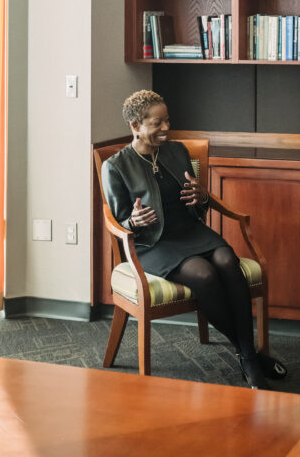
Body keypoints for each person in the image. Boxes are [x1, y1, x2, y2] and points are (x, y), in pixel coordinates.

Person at [102, 89, 284, 389]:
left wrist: (202, 197)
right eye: (157, 123)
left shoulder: (177, 152)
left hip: (190, 232)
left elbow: (198, 207)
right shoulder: (116, 166)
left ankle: (246, 352)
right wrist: (133, 221)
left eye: (167, 120)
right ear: (136, 126)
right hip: (153, 244)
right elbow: (121, 222)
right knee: (205, 274)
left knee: (228, 261)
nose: (165, 128)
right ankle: (249, 355)